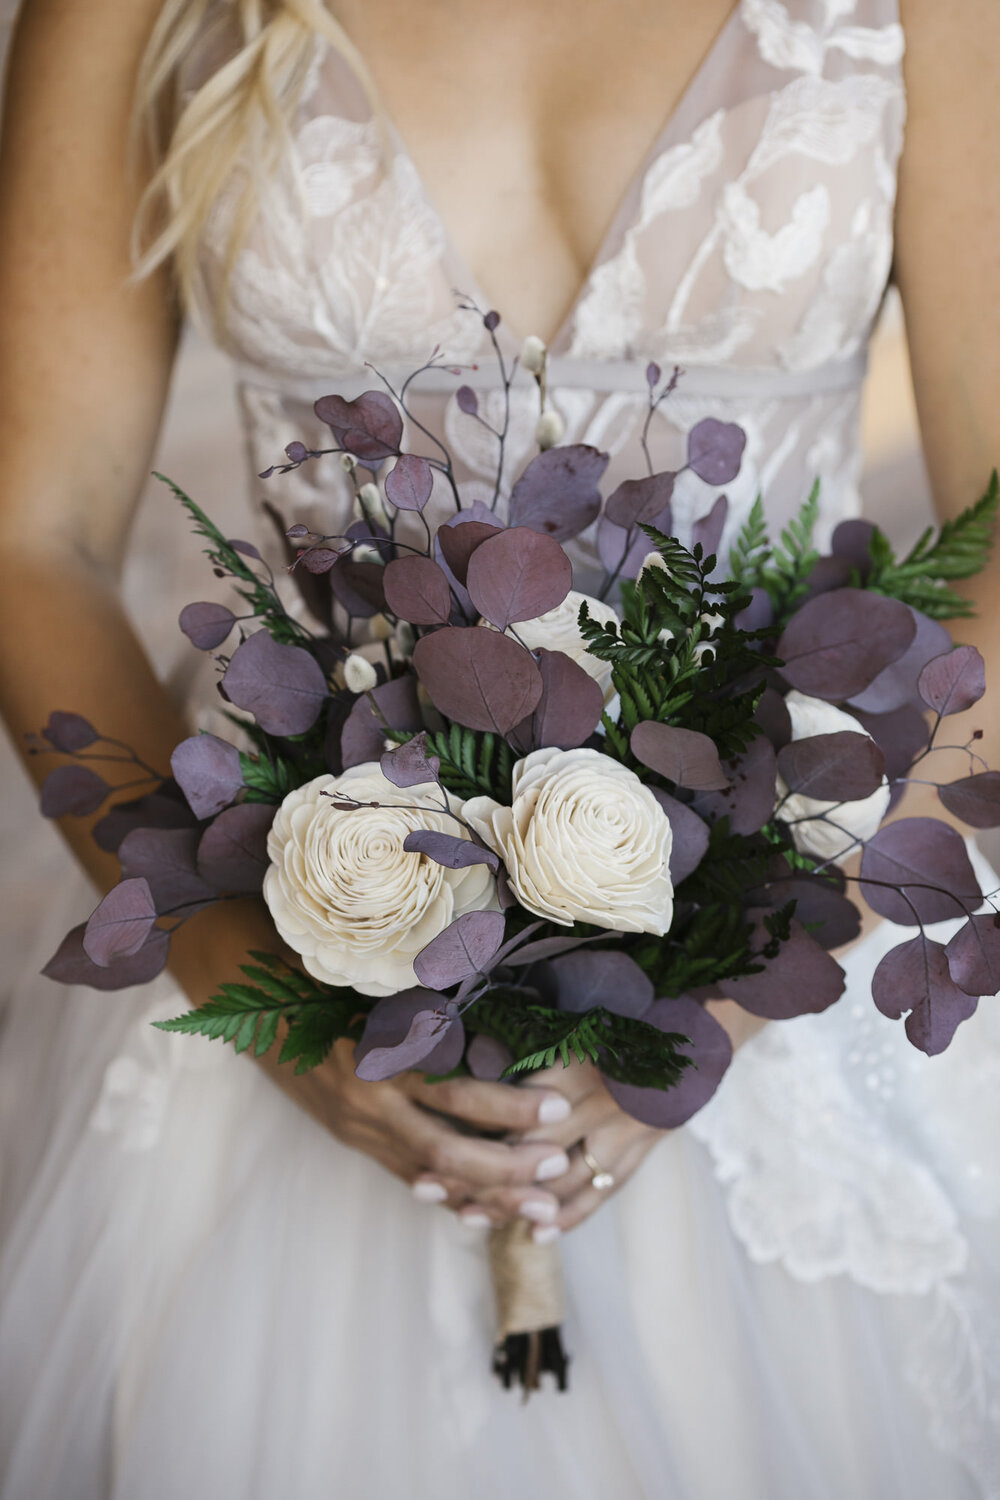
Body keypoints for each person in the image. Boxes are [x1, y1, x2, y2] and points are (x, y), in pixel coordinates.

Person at [0, 0, 997, 1495]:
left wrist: (738, 988)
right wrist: (256, 993)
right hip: (293, 971)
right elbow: (37, 534)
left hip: (813, 978)